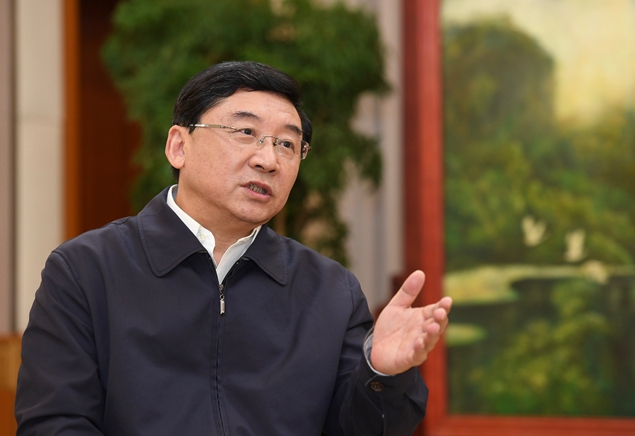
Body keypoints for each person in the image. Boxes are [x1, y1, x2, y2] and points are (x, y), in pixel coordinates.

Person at [15, 61, 452, 435]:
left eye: (287, 144)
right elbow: (55, 423)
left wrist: (381, 373)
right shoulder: (86, 271)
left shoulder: (331, 291)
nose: (268, 159)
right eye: (245, 132)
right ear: (179, 146)